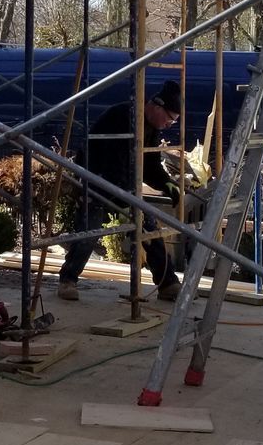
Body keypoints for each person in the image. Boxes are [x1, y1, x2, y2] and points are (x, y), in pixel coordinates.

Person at [58, 80, 187, 302]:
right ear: (156, 106)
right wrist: (123, 201)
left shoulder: (151, 127)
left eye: (173, 122)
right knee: (89, 232)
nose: (169, 125)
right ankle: (67, 280)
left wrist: (167, 183)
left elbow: (149, 165)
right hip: (96, 180)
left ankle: (167, 283)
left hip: (123, 187)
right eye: (169, 119)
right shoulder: (122, 117)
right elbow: (111, 163)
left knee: (149, 229)